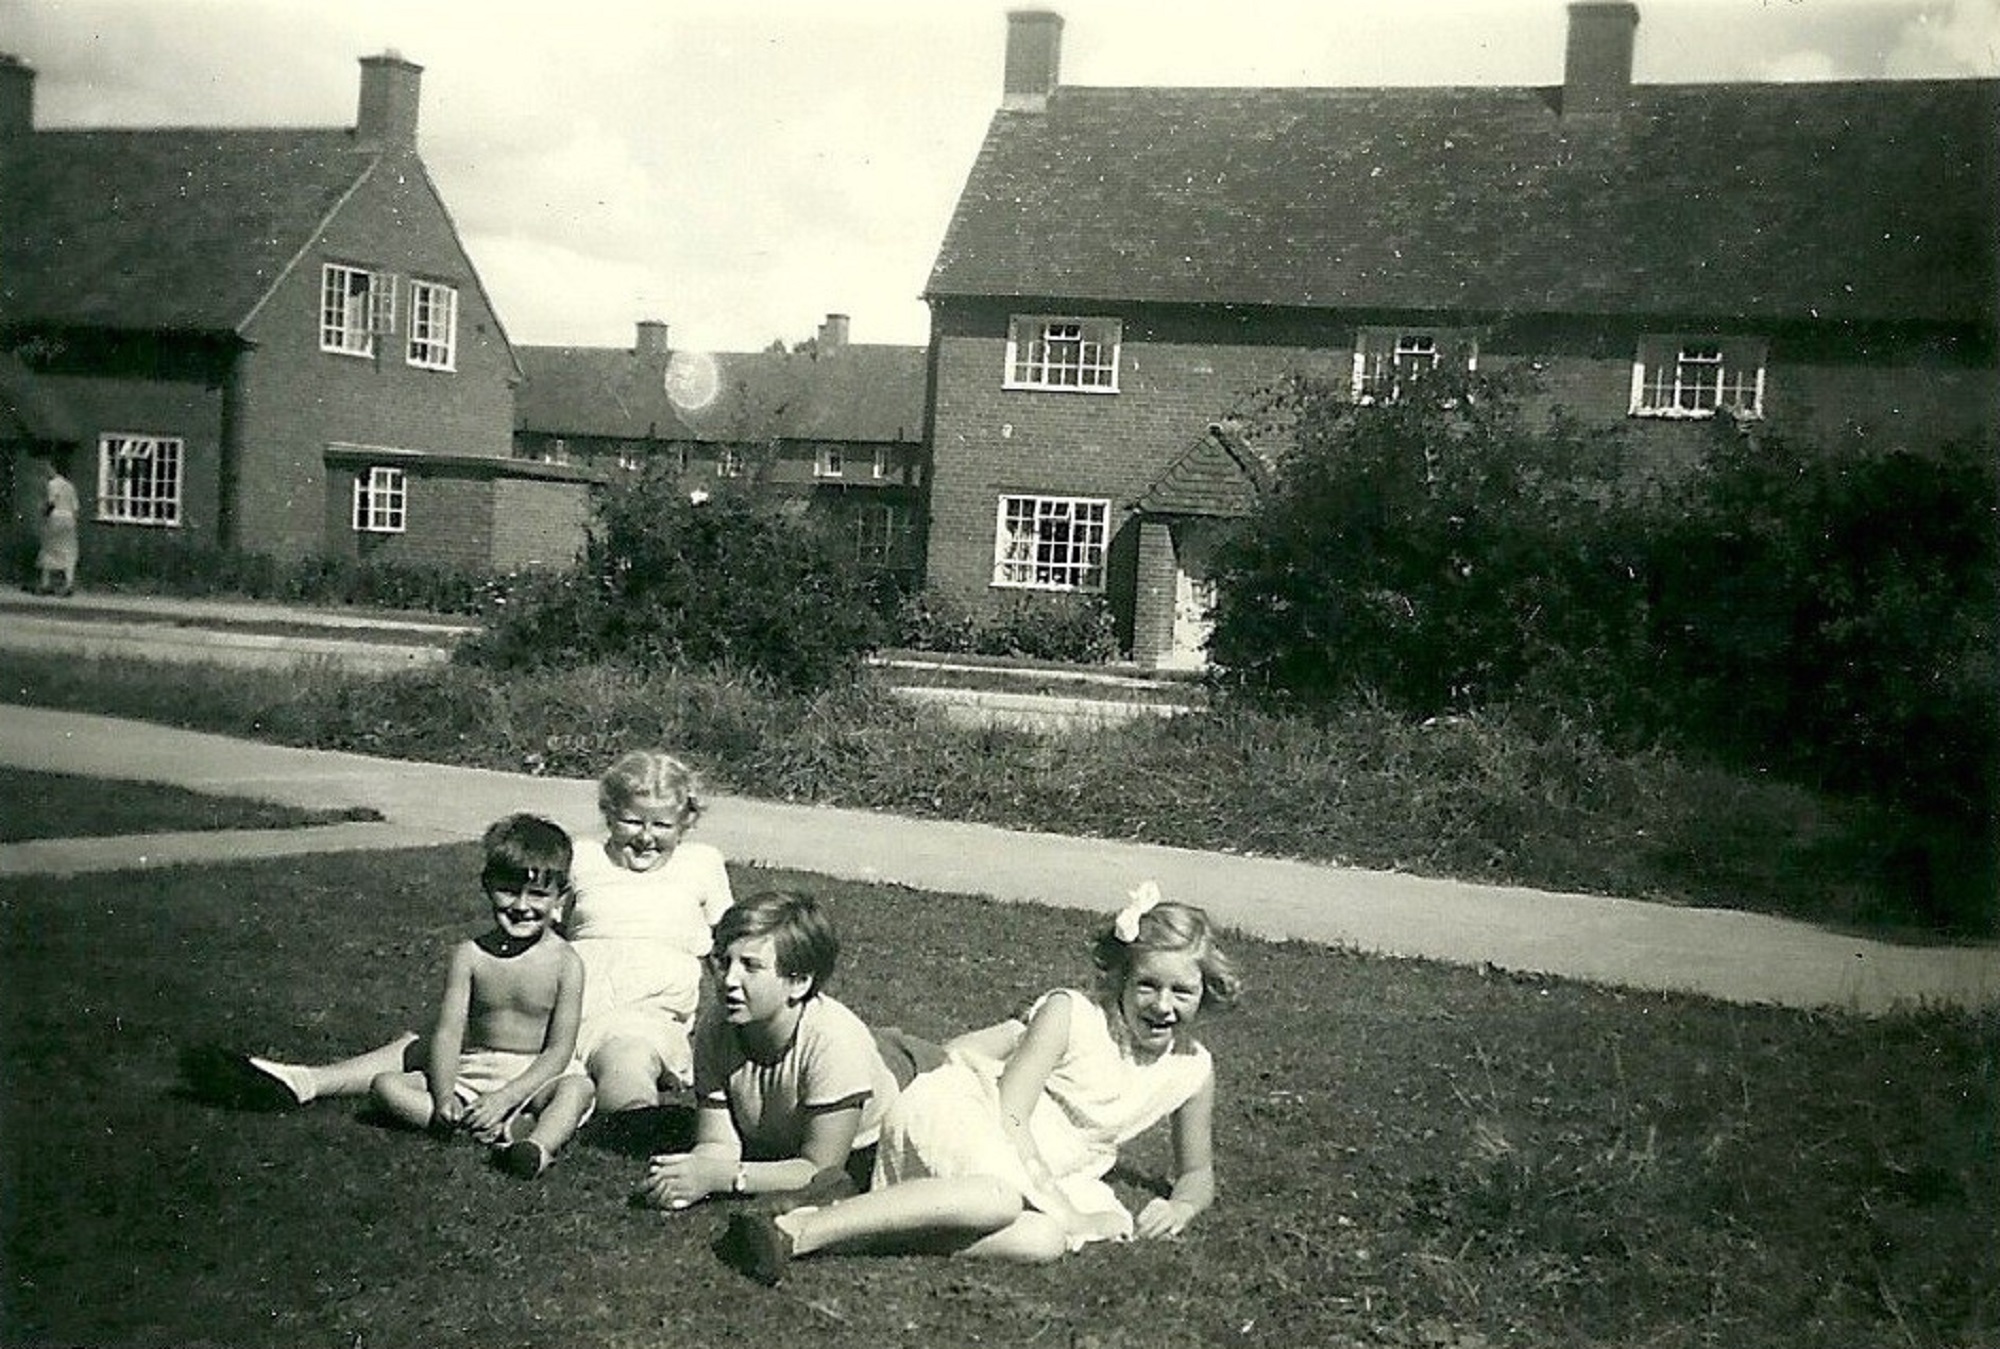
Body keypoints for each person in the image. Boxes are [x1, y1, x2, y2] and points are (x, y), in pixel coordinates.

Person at [714, 882, 1241, 1286]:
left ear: (1206, 993)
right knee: (1000, 1199)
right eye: (1147, 985)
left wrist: (1181, 1206)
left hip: (1054, 1166)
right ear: (1119, 978)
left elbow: (1197, 1172)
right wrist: (1065, 1204)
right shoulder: (1071, 1013)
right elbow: (1010, 1113)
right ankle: (793, 1235)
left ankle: (841, 1222)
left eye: (1182, 991)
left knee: (1043, 1240)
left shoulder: (1192, 1068)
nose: (1163, 1005)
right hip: (970, 1115)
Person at [178, 748, 734, 1117]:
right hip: (569, 1004)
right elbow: (538, 925)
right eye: (632, 821)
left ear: (687, 823)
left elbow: (728, 948)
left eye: (662, 825)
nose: (645, 837)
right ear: (609, 813)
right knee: (440, 1043)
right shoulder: (582, 858)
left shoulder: (702, 864)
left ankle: (641, 1126)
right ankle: (305, 1080)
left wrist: (727, 1034)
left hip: (647, 1012)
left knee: (626, 1062)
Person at [631, 890, 906, 1214]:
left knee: (949, 1061)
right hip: (821, 1087)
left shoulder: (835, 1042)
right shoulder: (718, 1025)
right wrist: (687, 1175)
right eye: (723, 961)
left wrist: (730, 1177)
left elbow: (821, 1169)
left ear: (799, 982)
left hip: (894, 1091)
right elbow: (719, 1143)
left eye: (750, 966)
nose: (729, 980)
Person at [370, 813, 595, 1179]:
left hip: (535, 1077)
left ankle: (536, 1147)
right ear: (488, 885)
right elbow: (448, 1033)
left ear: (560, 897)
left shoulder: (567, 963)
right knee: (386, 1086)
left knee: (577, 1089)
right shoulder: (471, 955)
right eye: (509, 890)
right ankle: (473, 1123)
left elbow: (559, 1051)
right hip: (474, 1072)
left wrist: (508, 1095)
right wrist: (443, 1095)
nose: (522, 906)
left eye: (538, 894)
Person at [36, 456, 78, 596]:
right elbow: (76, 508)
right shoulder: (70, 486)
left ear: (53, 468)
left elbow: (51, 502)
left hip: (56, 518)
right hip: (69, 519)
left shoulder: (53, 484)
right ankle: (68, 584)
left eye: (48, 468)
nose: (46, 471)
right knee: (68, 552)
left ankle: (45, 584)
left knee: (48, 550)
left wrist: (43, 513)